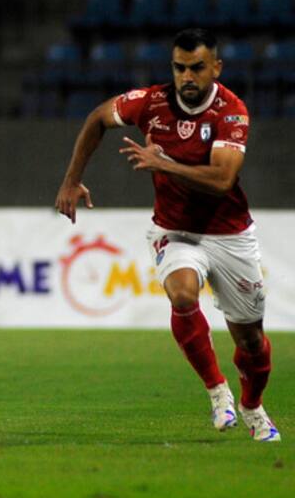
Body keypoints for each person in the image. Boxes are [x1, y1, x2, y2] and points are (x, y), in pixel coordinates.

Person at [55, 28, 280, 442]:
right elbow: (97, 119)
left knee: (251, 342)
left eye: (197, 68)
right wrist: (72, 180)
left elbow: (222, 180)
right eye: (179, 68)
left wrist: (165, 163)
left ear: (216, 67)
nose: (187, 77)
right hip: (174, 229)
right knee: (181, 294)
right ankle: (217, 391)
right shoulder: (150, 102)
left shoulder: (231, 111)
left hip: (229, 234)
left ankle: (253, 406)